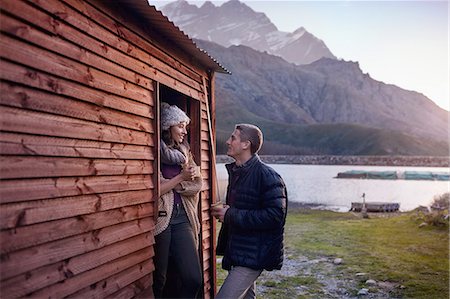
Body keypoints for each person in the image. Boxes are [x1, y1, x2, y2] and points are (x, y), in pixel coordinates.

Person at [211, 123, 288, 299]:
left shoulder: (268, 176)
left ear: (246, 144)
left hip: (254, 253)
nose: (228, 141)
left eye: (233, 138)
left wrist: (230, 214)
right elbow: (245, 208)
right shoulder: (238, 173)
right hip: (240, 251)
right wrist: (226, 211)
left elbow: (276, 216)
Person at [153, 102, 203, 298]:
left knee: (194, 279)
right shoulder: (156, 152)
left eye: (185, 126)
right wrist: (180, 178)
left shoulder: (184, 152)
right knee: (159, 280)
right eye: (180, 126)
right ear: (168, 127)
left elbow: (198, 184)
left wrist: (175, 184)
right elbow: (156, 190)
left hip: (183, 218)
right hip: (162, 219)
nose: (184, 131)